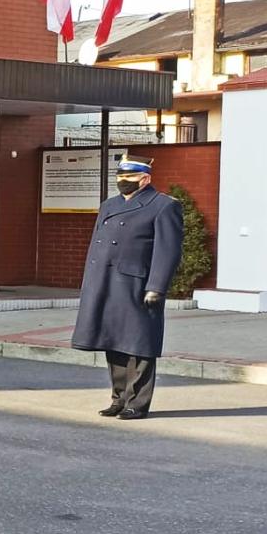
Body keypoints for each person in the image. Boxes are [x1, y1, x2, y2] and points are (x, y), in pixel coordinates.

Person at [72, 154, 183, 420]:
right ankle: (118, 398)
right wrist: (90, 281)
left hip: (137, 284)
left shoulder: (163, 206)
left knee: (139, 346)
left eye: (129, 177)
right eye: (120, 177)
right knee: (114, 341)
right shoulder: (109, 205)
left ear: (145, 179)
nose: (123, 181)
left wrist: (156, 286)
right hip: (106, 283)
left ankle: (137, 403)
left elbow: (167, 251)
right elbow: (96, 247)